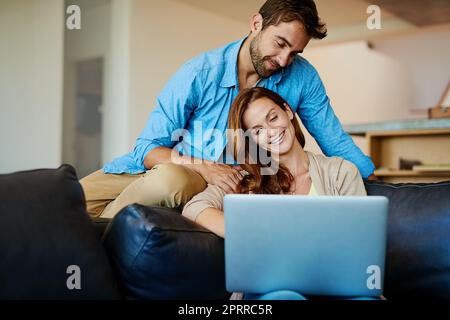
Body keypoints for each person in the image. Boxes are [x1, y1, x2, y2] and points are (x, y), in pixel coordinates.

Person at [80, 0, 375, 219]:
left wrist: (373, 180)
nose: (285, 60)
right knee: (60, 202)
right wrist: (205, 166)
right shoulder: (200, 72)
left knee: (170, 181)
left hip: (183, 181)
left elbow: (333, 139)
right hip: (151, 168)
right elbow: (147, 149)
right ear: (256, 23)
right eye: (280, 43)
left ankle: (103, 233)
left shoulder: (302, 77)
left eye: (294, 52)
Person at [182, 87, 377, 300]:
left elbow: (361, 247)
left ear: (288, 111)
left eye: (273, 118)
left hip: (333, 286)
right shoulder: (246, 179)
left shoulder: (340, 171)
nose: (271, 131)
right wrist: (246, 233)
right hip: (270, 291)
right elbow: (194, 208)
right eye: (257, 130)